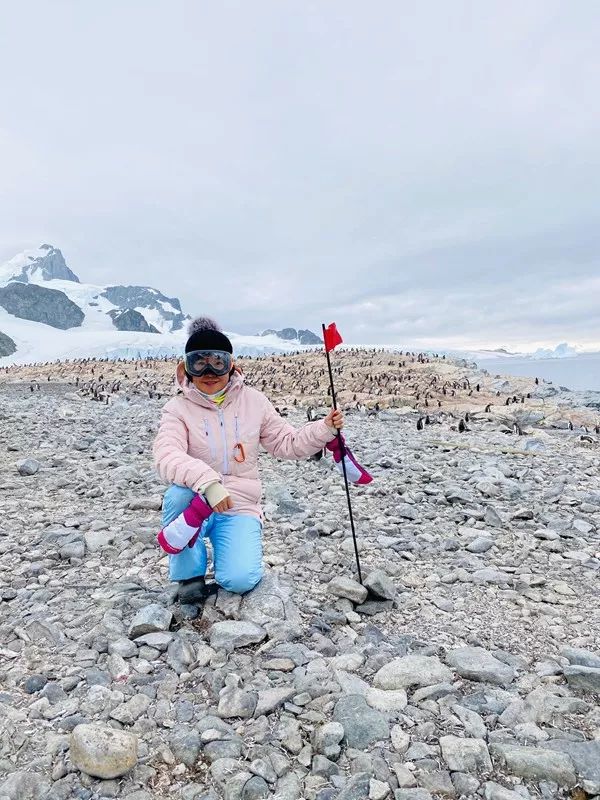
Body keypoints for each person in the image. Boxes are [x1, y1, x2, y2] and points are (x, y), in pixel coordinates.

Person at [153, 317, 344, 605]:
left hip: (239, 504)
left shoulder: (254, 401)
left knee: (240, 580)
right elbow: (167, 454)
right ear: (186, 369)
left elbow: (286, 443)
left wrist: (324, 429)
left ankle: (227, 555)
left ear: (230, 365)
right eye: (198, 362)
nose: (208, 371)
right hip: (198, 499)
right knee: (177, 495)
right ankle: (189, 576)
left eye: (217, 361)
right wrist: (207, 482)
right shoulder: (177, 409)